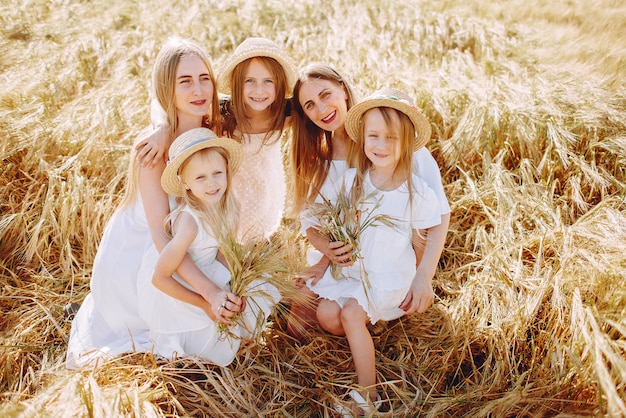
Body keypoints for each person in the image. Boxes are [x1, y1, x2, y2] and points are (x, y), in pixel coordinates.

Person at [66, 38, 229, 369]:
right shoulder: (152, 150)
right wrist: (208, 293)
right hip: (145, 253)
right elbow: (162, 238)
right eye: (185, 81)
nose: (199, 90)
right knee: (184, 335)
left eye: (204, 78)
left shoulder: (213, 128)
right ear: (165, 89)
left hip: (189, 244)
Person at [302, 88, 442, 415]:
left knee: (350, 313)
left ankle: (369, 394)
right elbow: (311, 218)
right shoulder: (353, 181)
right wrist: (323, 257)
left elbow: (422, 239)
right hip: (354, 273)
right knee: (327, 316)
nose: (380, 145)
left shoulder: (415, 192)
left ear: (406, 142)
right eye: (373, 136)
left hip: (389, 276)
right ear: (363, 138)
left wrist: (420, 280)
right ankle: (368, 323)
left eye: (390, 138)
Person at [287, 65, 451, 336]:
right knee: (300, 324)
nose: (322, 109)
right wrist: (324, 253)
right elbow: (312, 221)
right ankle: (361, 314)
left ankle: (383, 309)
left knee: (339, 318)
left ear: (343, 89)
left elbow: (440, 214)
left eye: (326, 94)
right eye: (310, 105)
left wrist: (424, 276)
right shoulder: (320, 160)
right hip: (347, 262)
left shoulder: (387, 139)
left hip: (389, 260)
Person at [136, 127, 279, 365]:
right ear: (185, 183)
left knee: (253, 294)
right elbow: (159, 278)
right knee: (212, 345)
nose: (212, 184)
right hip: (181, 287)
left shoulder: (229, 206)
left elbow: (222, 251)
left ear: (226, 171)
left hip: (209, 269)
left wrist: (235, 285)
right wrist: (204, 303)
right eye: (200, 177)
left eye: (217, 173)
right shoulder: (190, 222)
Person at [144, 37, 297, 240]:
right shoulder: (223, 112)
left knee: (261, 241)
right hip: (232, 195)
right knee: (231, 241)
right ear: (236, 84)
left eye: (268, 81)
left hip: (267, 189)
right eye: (249, 81)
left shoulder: (286, 113)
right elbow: (160, 100)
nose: (259, 90)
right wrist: (163, 127)